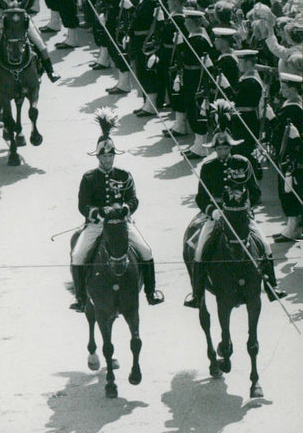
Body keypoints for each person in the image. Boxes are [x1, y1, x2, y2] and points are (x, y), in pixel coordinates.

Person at [70, 109, 164, 311]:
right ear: (98, 157)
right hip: (97, 225)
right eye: (104, 156)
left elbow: (133, 199)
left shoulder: (124, 175)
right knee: (77, 255)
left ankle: (150, 291)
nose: (108, 159)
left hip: (122, 224)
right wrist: (97, 212)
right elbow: (82, 205)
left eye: (111, 155)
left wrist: (125, 209)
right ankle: (80, 298)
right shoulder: (88, 178)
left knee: (146, 250)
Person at [185, 123, 286, 307]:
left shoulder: (242, 162)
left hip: (241, 214)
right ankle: (197, 294)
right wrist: (213, 211)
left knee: (264, 245)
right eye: (219, 149)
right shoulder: (208, 167)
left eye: (226, 148)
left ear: (231, 148)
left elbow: (254, 192)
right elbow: (201, 197)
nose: (223, 152)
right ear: (214, 149)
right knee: (199, 251)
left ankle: (272, 286)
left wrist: (246, 206)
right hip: (217, 215)